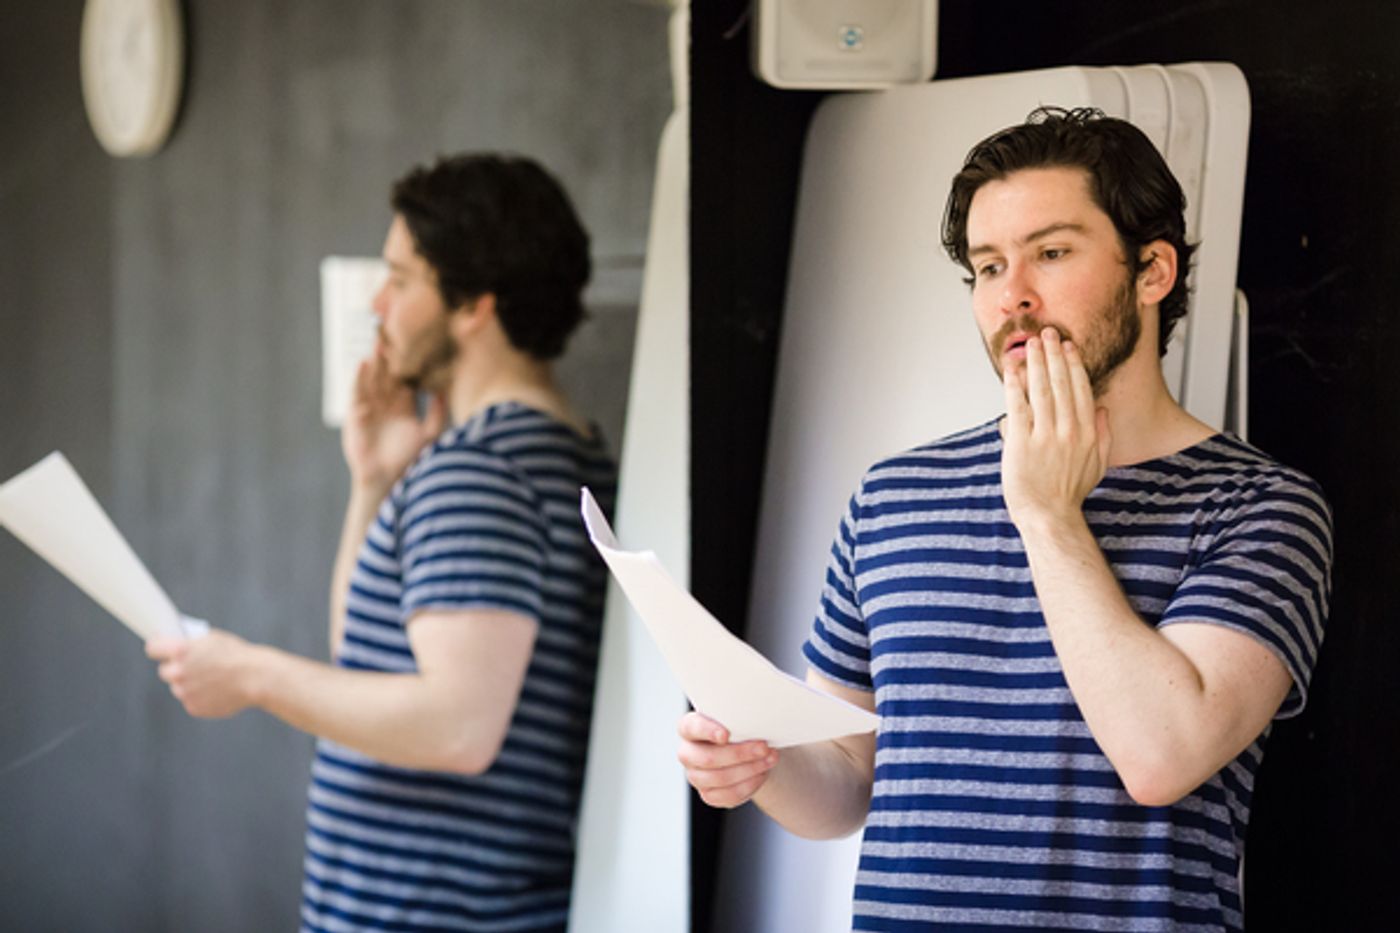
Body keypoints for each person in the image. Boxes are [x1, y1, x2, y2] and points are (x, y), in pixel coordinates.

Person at [678, 108, 1332, 931]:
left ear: (1152, 269)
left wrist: (1048, 514)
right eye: (988, 267)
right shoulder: (895, 495)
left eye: (1052, 253)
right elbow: (847, 780)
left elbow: (1161, 755)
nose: (1013, 295)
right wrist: (758, 762)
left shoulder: (1261, 506)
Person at [148, 154, 618, 933]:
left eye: (401, 280)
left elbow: (456, 726)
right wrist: (375, 480)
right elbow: (372, 664)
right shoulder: (563, 452)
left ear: (473, 306)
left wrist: (250, 673)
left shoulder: (478, 472)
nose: (378, 302)